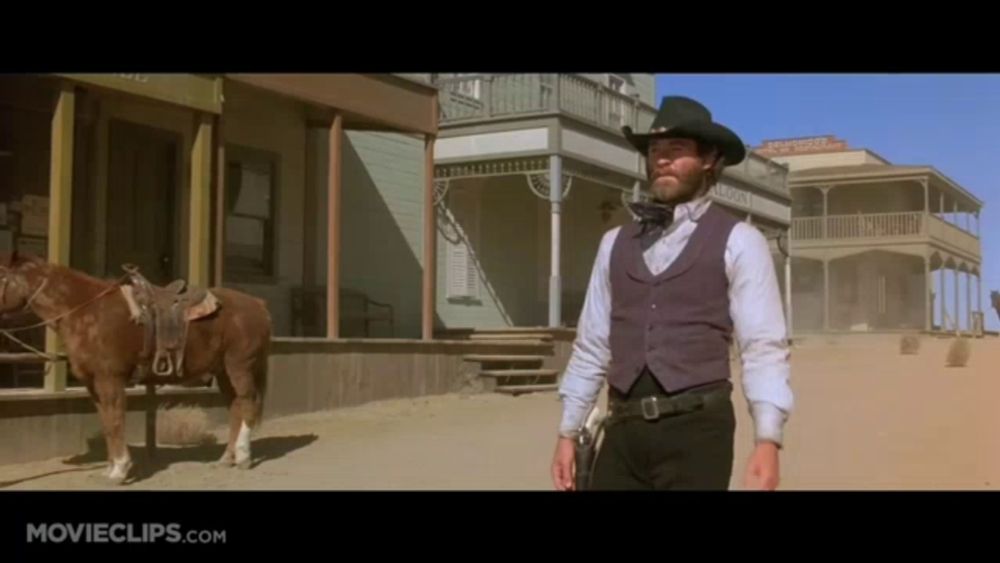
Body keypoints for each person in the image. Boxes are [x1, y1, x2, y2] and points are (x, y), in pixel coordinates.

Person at [550, 95, 794, 491]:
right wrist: (568, 429)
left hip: (698, 432)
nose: (661, 160)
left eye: (676, 151)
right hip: (623, 429)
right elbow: (592, 344)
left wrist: (768, 439)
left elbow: (762, 347)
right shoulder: (614, 243)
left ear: (709, 160)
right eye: (654, 151)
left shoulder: (740, 241)